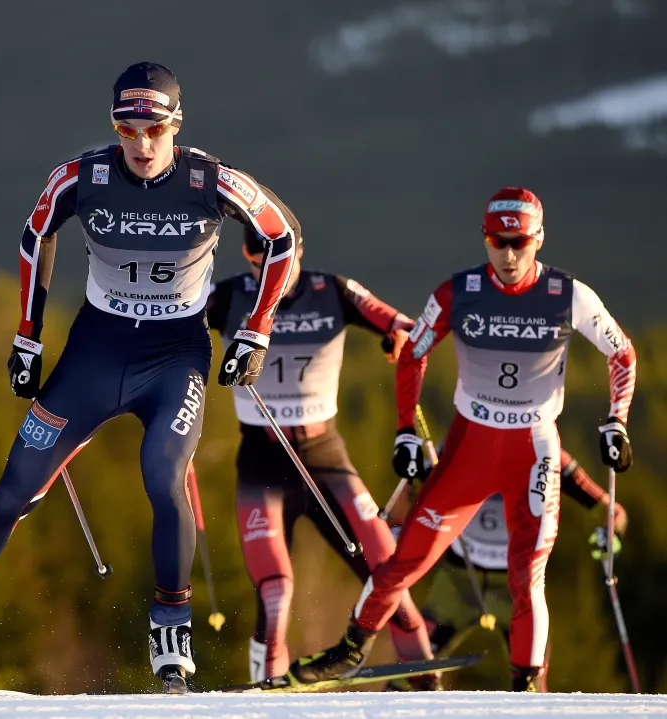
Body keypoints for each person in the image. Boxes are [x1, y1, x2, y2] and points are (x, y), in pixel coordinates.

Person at [0, 62, 299, 694]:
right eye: (128, 129)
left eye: (154, 130)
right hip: (96, 351)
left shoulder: (211, 179)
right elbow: (37, 236)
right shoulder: (83, 175)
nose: (141, 146)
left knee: (163, 476)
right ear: (115, 126)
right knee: (14, 488)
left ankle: (170, 628)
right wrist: (27, 336)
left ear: (176, 125)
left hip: (175, 356)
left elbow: (282, 241)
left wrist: (255, 331)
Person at [281, 186, 637, 692]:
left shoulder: (568, 295)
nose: (509, 255)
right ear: (485, 239)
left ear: (539, 239)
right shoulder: (458, 292)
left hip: (534, 448)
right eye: (497, 242)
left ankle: (526, 686)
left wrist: (616, 421)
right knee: (405, 561)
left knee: (526, 576)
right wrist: (407, 427)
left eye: (519, 242)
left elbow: (621, 354)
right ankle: (348, 652)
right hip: (471, 448)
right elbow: (413, 352)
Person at [204, 199, 440, 687]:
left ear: (298, 250)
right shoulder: (226, 297)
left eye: (280, 260)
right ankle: (265, 693)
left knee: (388, 575)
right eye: (258, 263)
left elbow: (408, 327)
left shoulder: (331, 290)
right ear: (248, 259)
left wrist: (399, 336)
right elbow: (164, 333)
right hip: (263, 462)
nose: (272, 273)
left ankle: (426, 688)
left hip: (325, 456)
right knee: (275, 593)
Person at [418, 449, 628, 691]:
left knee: (531, 687)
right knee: (409, 669)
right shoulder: (468, 437)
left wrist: (612, 534)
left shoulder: (549, 452)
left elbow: (613, 511)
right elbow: (413, 489)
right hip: (458, 584)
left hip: (516, 587)